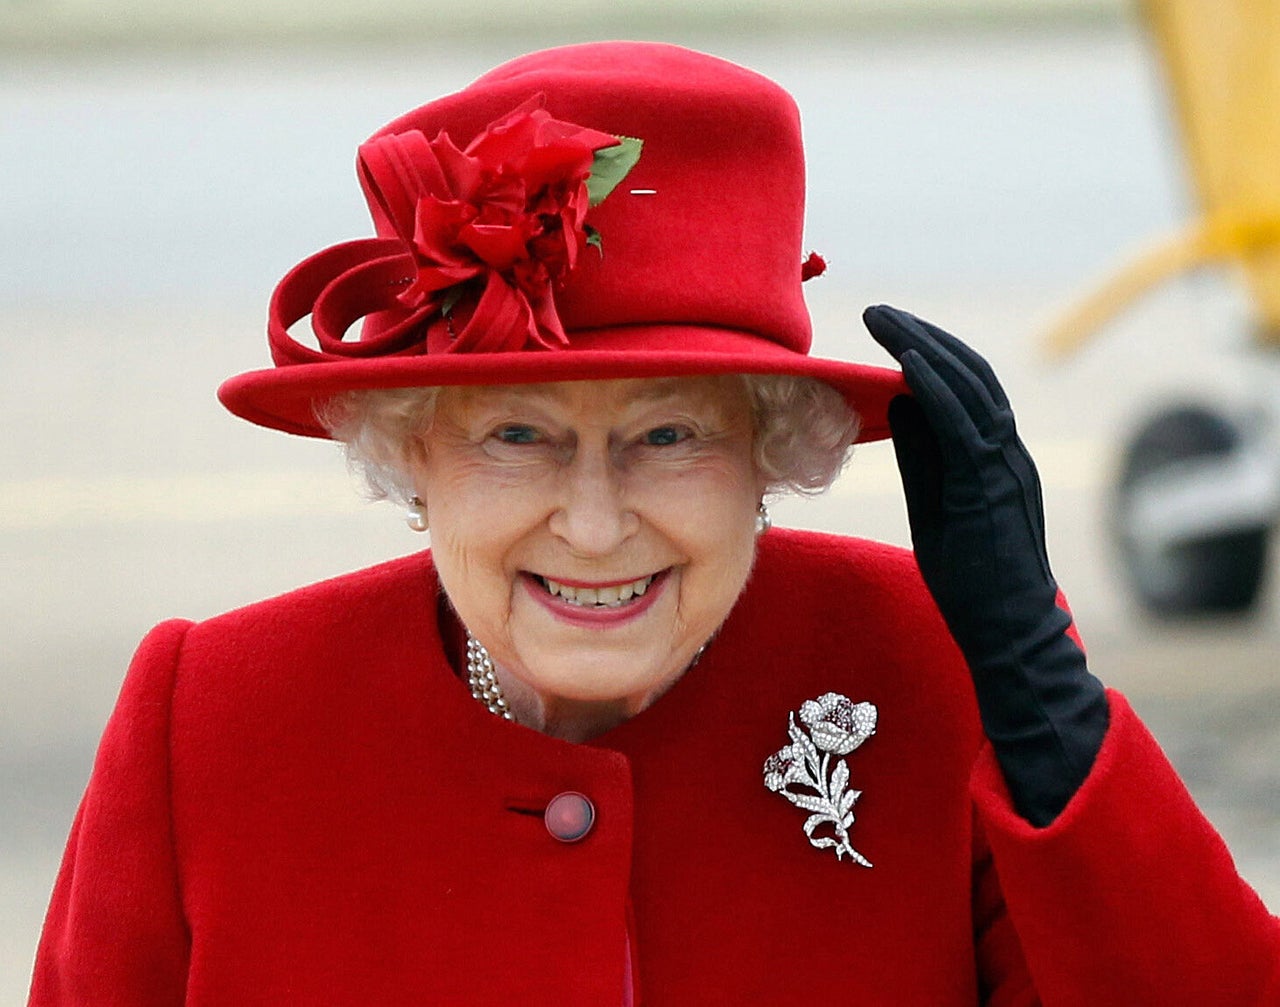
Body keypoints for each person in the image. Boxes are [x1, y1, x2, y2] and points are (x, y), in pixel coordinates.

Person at [29, 41, 1280, 1005]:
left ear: (770, 454)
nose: (589, 523)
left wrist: (1047, 711)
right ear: (411, 451)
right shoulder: (212, 718)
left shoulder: (924, 667)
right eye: (514, 434)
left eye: (667, 435)